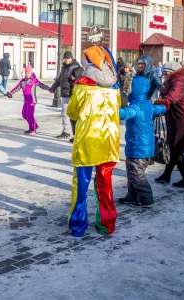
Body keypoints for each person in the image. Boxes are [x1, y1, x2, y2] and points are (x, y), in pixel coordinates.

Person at [66, 46, 120, 237]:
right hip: (109, 144)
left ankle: (78, 226)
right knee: (105, 187)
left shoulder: (82, 88)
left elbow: (71, 112)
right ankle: (107, 224)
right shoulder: (114, 89)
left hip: (87, 143)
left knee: (81, 186)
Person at [118, 76, 166, 208]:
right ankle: (132, 195)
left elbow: (122, 114)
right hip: (145, 147)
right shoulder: (148, 105)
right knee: (132, 172)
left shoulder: (136, 107)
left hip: (138, 147)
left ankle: (146, 198)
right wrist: (164, 106)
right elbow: (160, 109)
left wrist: (109, 108)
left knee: (136, 174)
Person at [153, 61, 184, 188]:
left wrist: (155, 105)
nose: (163, 75)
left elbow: (170, 98)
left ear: (171, 72)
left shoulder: (178, 81)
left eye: (165, 73)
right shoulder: (175, 80)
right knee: (174, 148)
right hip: (178, 118)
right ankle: (167, 176)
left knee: (176, 149)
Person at [49, 51, 83, 139]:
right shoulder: (64, 67)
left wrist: (74, 79)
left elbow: (80, 79)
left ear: (71, 58)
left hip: (72, 93)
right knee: (65, 113)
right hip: (65, 93)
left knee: (73, 114)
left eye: (68, 58)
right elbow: (60, 79)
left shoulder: (75, 67)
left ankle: (76, 135)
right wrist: (53, 87)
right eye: (65, 58)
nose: (66, 59)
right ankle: (66, 132)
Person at [9, 65, 50, 135]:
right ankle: (34, 126)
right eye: (26, 73)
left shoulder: (34, 80)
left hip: (32, 100)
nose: (27, 74)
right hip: (26, 100)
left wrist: (50, 89)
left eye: (28, 73)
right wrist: (11, 92)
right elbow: (17, 87)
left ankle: (33, 129)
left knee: (30, 115)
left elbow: (41, 85)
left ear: (31, 73)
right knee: (24, 114)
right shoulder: (23, 81)